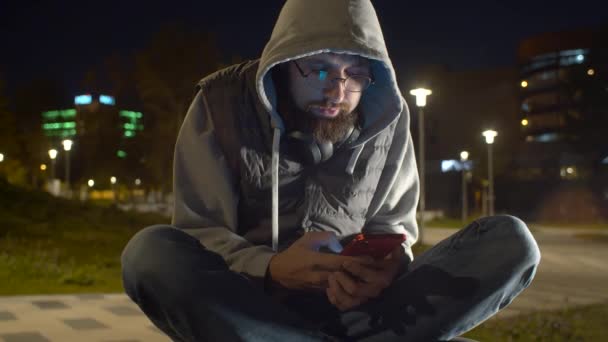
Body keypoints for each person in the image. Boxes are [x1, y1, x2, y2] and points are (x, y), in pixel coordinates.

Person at [121, 0, 541, 341]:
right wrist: (270, 268)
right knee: (149, 254)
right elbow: (198, 231)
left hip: (359, 312)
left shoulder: (387, 119)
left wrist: (385, 269)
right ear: (284, 62)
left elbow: (393, 226)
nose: (338, 90)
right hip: (246, 306)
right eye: (320, 68)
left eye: (355, 74)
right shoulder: (220, 105)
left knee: (510, 244)